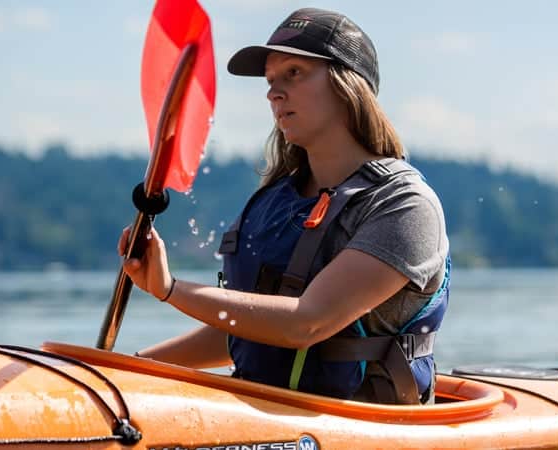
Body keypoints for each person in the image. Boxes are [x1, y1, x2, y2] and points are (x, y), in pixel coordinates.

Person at [120, 7, 450, 405]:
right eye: (271, 80)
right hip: (264, 416)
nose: (274, 92)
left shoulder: (405, 205)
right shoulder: (275, 200)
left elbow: (304, 323)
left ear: (348, 85)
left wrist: (170, 289)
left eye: (294, 73)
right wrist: (129, 369)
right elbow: (242, 329)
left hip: (362, 426)